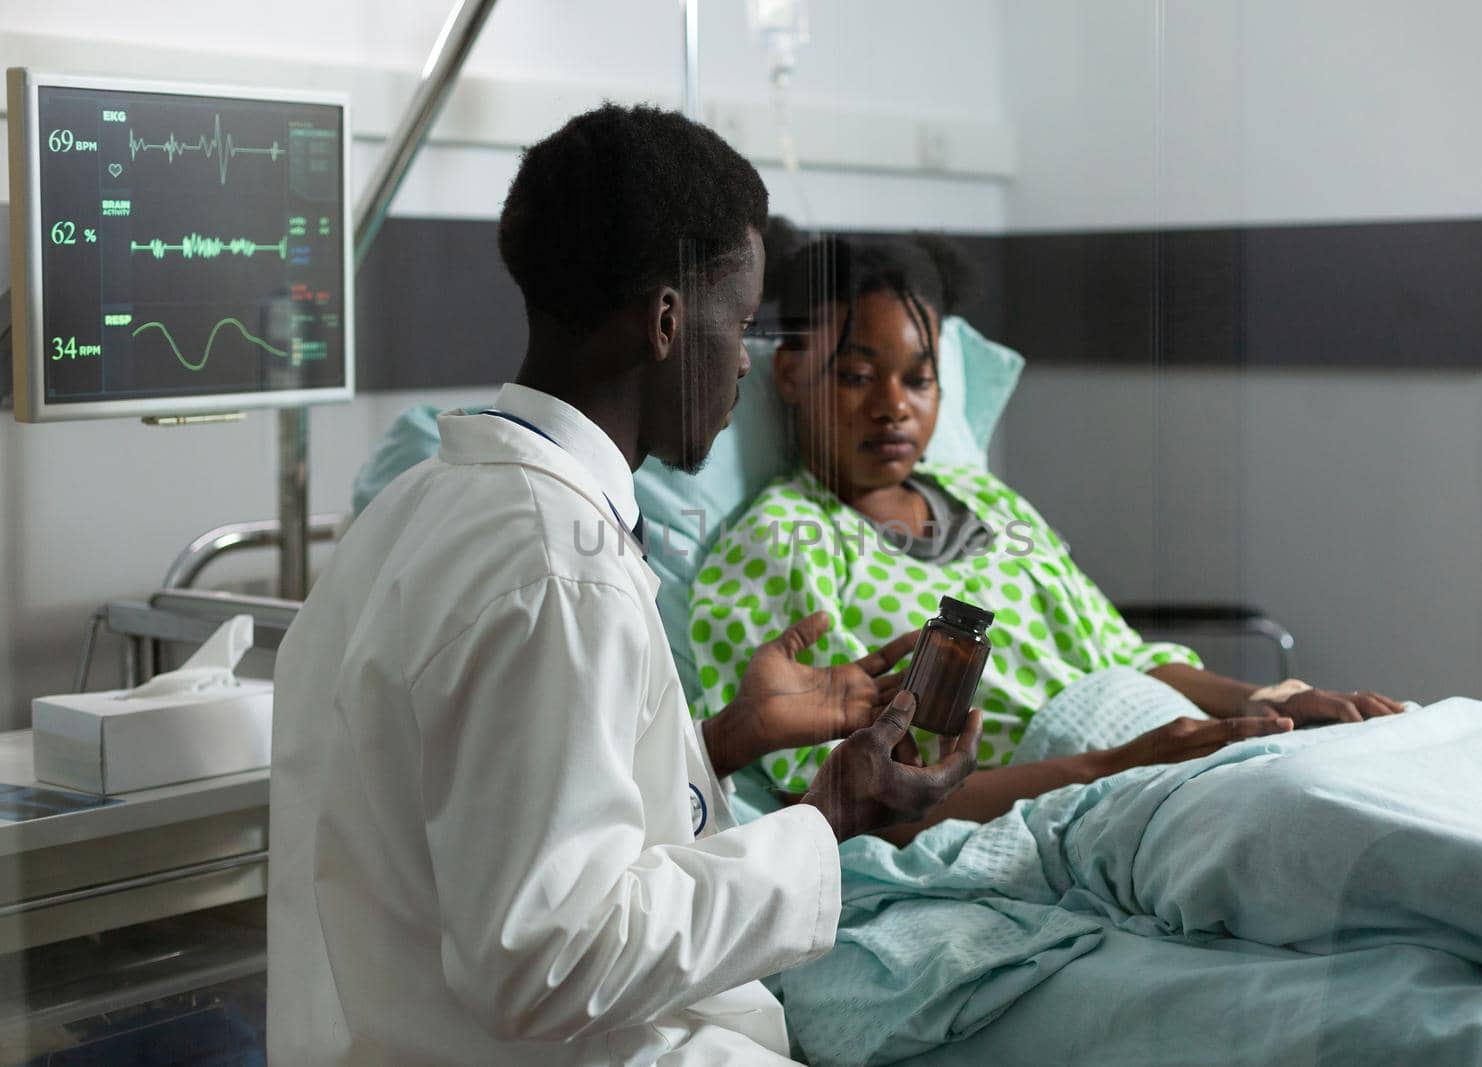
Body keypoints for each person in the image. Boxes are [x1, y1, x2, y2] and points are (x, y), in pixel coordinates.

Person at [268, 107, 979, 1066]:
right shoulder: (560, 573)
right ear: (667, 321)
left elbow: (518, 820)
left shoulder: (419, 512)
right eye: (740, 324)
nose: (745, 365)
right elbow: (547, 959)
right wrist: (829, 817)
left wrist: (719, 742)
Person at [689, 230, 1405, 838]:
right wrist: (1115, 766)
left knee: (1389, 770)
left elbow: (1127, 657)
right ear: (788, 370)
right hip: (1071, 798)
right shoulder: (780, 544)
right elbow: (828, 802)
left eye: (920, 379)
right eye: (857, 375)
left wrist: (1264, 704)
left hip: (1176, 744)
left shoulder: (987, 501)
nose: (893, 408)